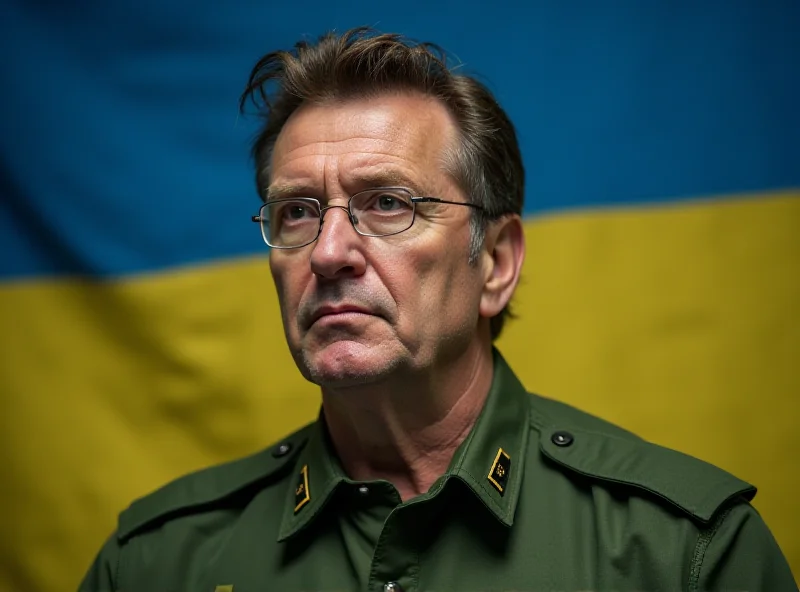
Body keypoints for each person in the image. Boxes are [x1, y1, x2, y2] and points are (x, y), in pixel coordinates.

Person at [79, 27, 797, 591]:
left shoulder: (682, 553)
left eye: (387, 204)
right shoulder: (155, 563)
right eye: (296, 212)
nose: (329, 253)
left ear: (496, 262)